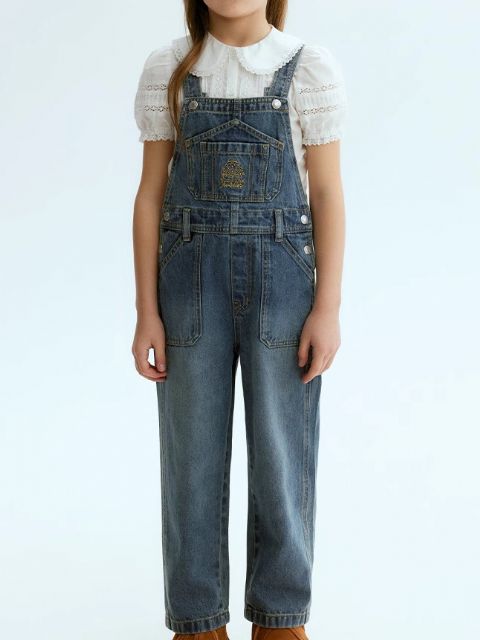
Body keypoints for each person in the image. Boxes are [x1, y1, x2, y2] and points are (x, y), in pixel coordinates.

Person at [131, 2, 347, 639]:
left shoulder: (306, 68)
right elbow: (150, 195)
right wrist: (146, 310)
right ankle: (197, 624)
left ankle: (280, 621)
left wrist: (328, 307)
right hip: (187, 286)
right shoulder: (171, 68)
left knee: (283, 455)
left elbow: (327, 192)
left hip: (284, 286)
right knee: (190, 459)